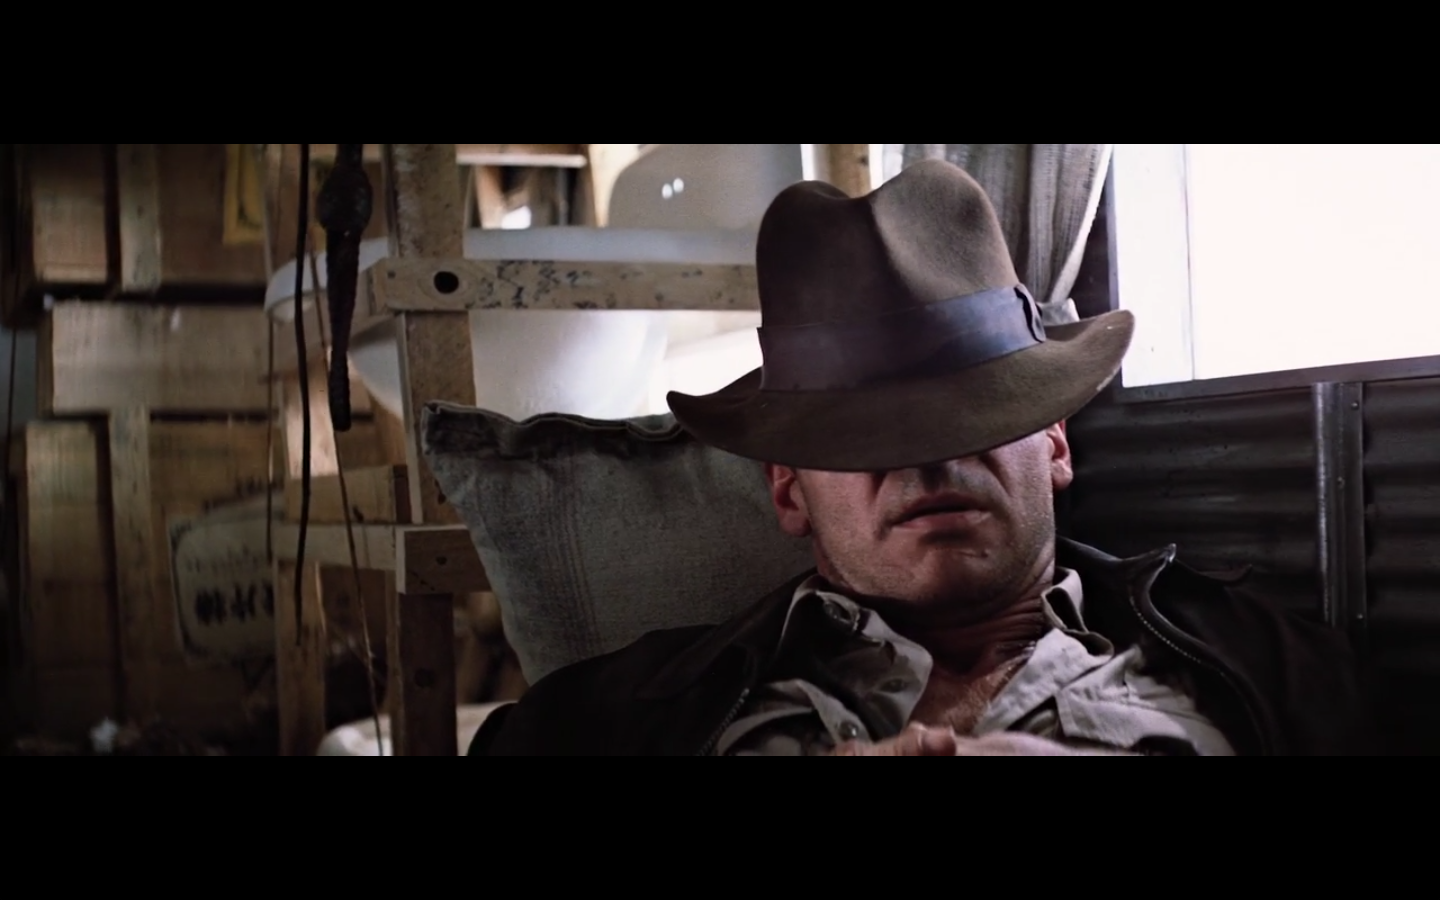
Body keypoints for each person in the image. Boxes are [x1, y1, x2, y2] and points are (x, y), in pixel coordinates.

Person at [468, 159, 1377, 756]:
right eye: (864, 439)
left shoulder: (1267, 670)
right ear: (789, 492)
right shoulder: (626, 715)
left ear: (1055, 439)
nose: (927, 463)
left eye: (976, 414)